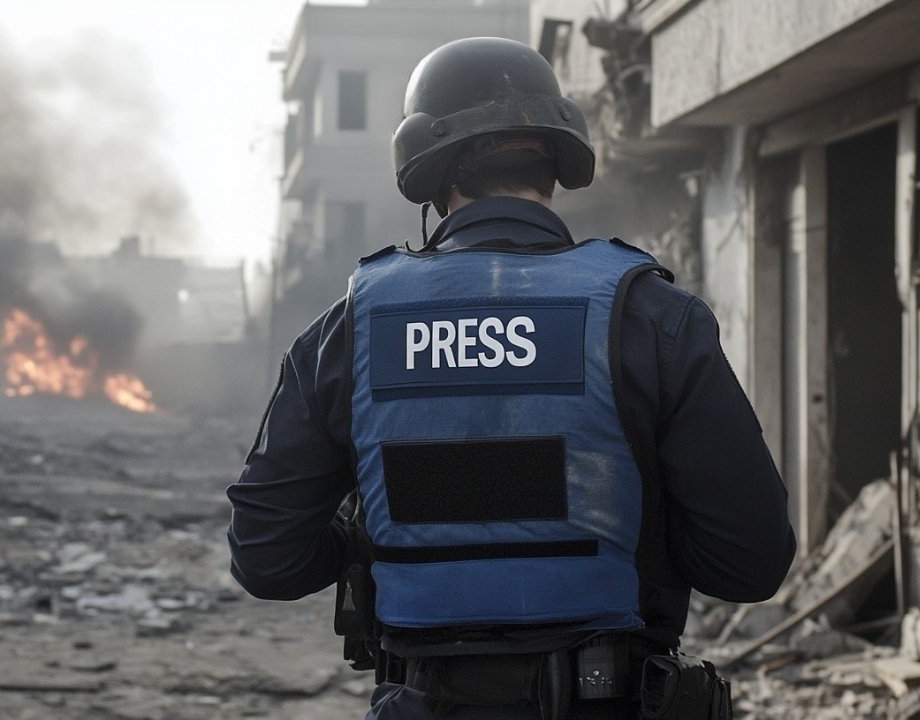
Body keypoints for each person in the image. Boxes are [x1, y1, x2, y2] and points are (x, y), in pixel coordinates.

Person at [227, 36, 795, 720]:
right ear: (557, 159)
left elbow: (267, 558)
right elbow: (750, 562)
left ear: (429, 173)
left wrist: (369, 534)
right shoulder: (651, 317)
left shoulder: (350, 328)